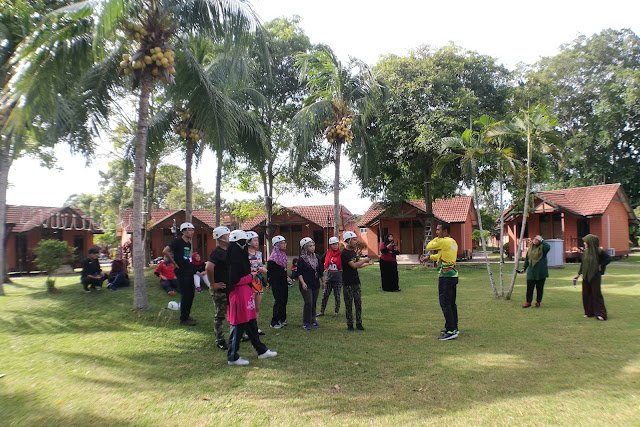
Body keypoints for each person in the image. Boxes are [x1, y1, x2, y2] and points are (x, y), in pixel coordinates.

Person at [226, 230, 277, 366]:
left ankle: (262, 351)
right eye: (244, 242)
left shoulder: (240, 257)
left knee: (252, 324)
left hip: (246, 295)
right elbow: (234, 280)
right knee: (237, 327)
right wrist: (250, 276)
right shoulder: (232, 259)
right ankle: (232, 356)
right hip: (238, 297)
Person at [423, 222, 460, 341]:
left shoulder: (443, 241)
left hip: (446, 277)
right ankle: (454, 327)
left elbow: (428, 246)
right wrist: (429, 258)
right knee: (451, 303)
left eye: (438, 230)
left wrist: (435, 239)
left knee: (445, 303)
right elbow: (440, 256)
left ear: (445, 231)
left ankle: (451, 331)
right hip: (453, 276)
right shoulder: (452, 241)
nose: (436, 232)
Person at [163, 222, 197, 326]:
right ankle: (183, 319)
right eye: (189, 230)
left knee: (191, 293)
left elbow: (186, 256)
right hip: (181, 271)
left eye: (192, 230)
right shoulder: (178, 241)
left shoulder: (188, 243)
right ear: (183, 231)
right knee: (186, 294)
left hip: (188, 269)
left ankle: (187, 315)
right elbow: (165, 251)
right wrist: (174, 263)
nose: (191, 232)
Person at [573, 234, 611, 321]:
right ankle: (589, 312)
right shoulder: (585, 252)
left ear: (590, 242)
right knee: (586, 294)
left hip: (595, 275)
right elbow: (583, 264)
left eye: (586, 241)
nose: (584, 243)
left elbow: (608, 258)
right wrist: (578, 274)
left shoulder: (599, 251)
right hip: (586, 275)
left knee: (596, 294)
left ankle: (601, 314)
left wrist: (601, 265)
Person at [206, 226, 232, 350]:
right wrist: (213, 284)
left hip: (230, 287)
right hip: (219, 289)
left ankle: (237, 334)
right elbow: (209, 268)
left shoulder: (230, 250)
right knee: (220, 315)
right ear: (221, 237)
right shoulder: (217, 252)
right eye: (227, 234)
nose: (229, 236)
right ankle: (220, 339)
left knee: (233, 312)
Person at [341, 231, 374, 331]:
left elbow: (357, 266)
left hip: (356, 281)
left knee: (358, 303)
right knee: (349, 304)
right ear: (348, 240)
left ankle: (359, 323)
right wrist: (364, 260)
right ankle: (350, 324)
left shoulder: (353, 252)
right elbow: (354, 265)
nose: (356, 241)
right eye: (354, 239)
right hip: (348, 283)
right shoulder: (345, 253)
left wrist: (367, 264)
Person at [294, 237, 325, 330]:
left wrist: (323, 281)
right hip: (306, 284)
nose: (313, 248)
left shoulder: (317, 257)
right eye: (310, 246)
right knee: (308, 302)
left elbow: (320, 271)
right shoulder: (301, 259)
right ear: (305, 247)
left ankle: (313, 320)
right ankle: (306, 322)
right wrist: (302, 283)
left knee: (314, 302)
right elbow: (299, 273)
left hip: (315, 283)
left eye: (313, 245)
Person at [517, 235, 550, 308]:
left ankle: (538, 302)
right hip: (531, 271)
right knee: (529, 288)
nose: (535, 241)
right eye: (534, 239)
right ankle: (528, 302)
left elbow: (548, 247)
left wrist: (542, 240)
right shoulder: (531, 248)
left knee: (539, 288)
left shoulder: (543, 248)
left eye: (537, 240)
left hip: (541, 271)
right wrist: (524, 268)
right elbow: (527, 259)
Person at [246, 231, 267, 335]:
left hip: (258, 283)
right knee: (248, 307)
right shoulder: (244, 254)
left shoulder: (259, 254)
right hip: (248, 283)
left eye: (257, 240)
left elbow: (263, 266)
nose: (257, 242)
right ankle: (247, 330)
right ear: (248, 241)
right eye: (255, 240)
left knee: (257, 308)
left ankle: (255, 329)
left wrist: (263, 269)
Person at [267, 235, 289, 329]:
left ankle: (282, 319)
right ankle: (274, 321)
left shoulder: (283, 255)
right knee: (278, 300)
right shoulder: (273, 258)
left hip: (283, 281)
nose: (284, 245)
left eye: (285, 243)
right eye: (282, 243)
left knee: (284, 300)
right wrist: (269, 282)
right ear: (277, 245)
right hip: (276, 282)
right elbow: (269, 272)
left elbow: (283, 269)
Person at [319, 236, 342, 317]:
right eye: (333, 244)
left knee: (337, 296)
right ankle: (322, 311)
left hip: (338, 278)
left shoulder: (341, 254)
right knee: (325, 295)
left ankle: (336, 312)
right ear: (330, 245)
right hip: (328, 278)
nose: (335, 246)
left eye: (336, 244)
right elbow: (321, 263)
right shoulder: (327, 253)